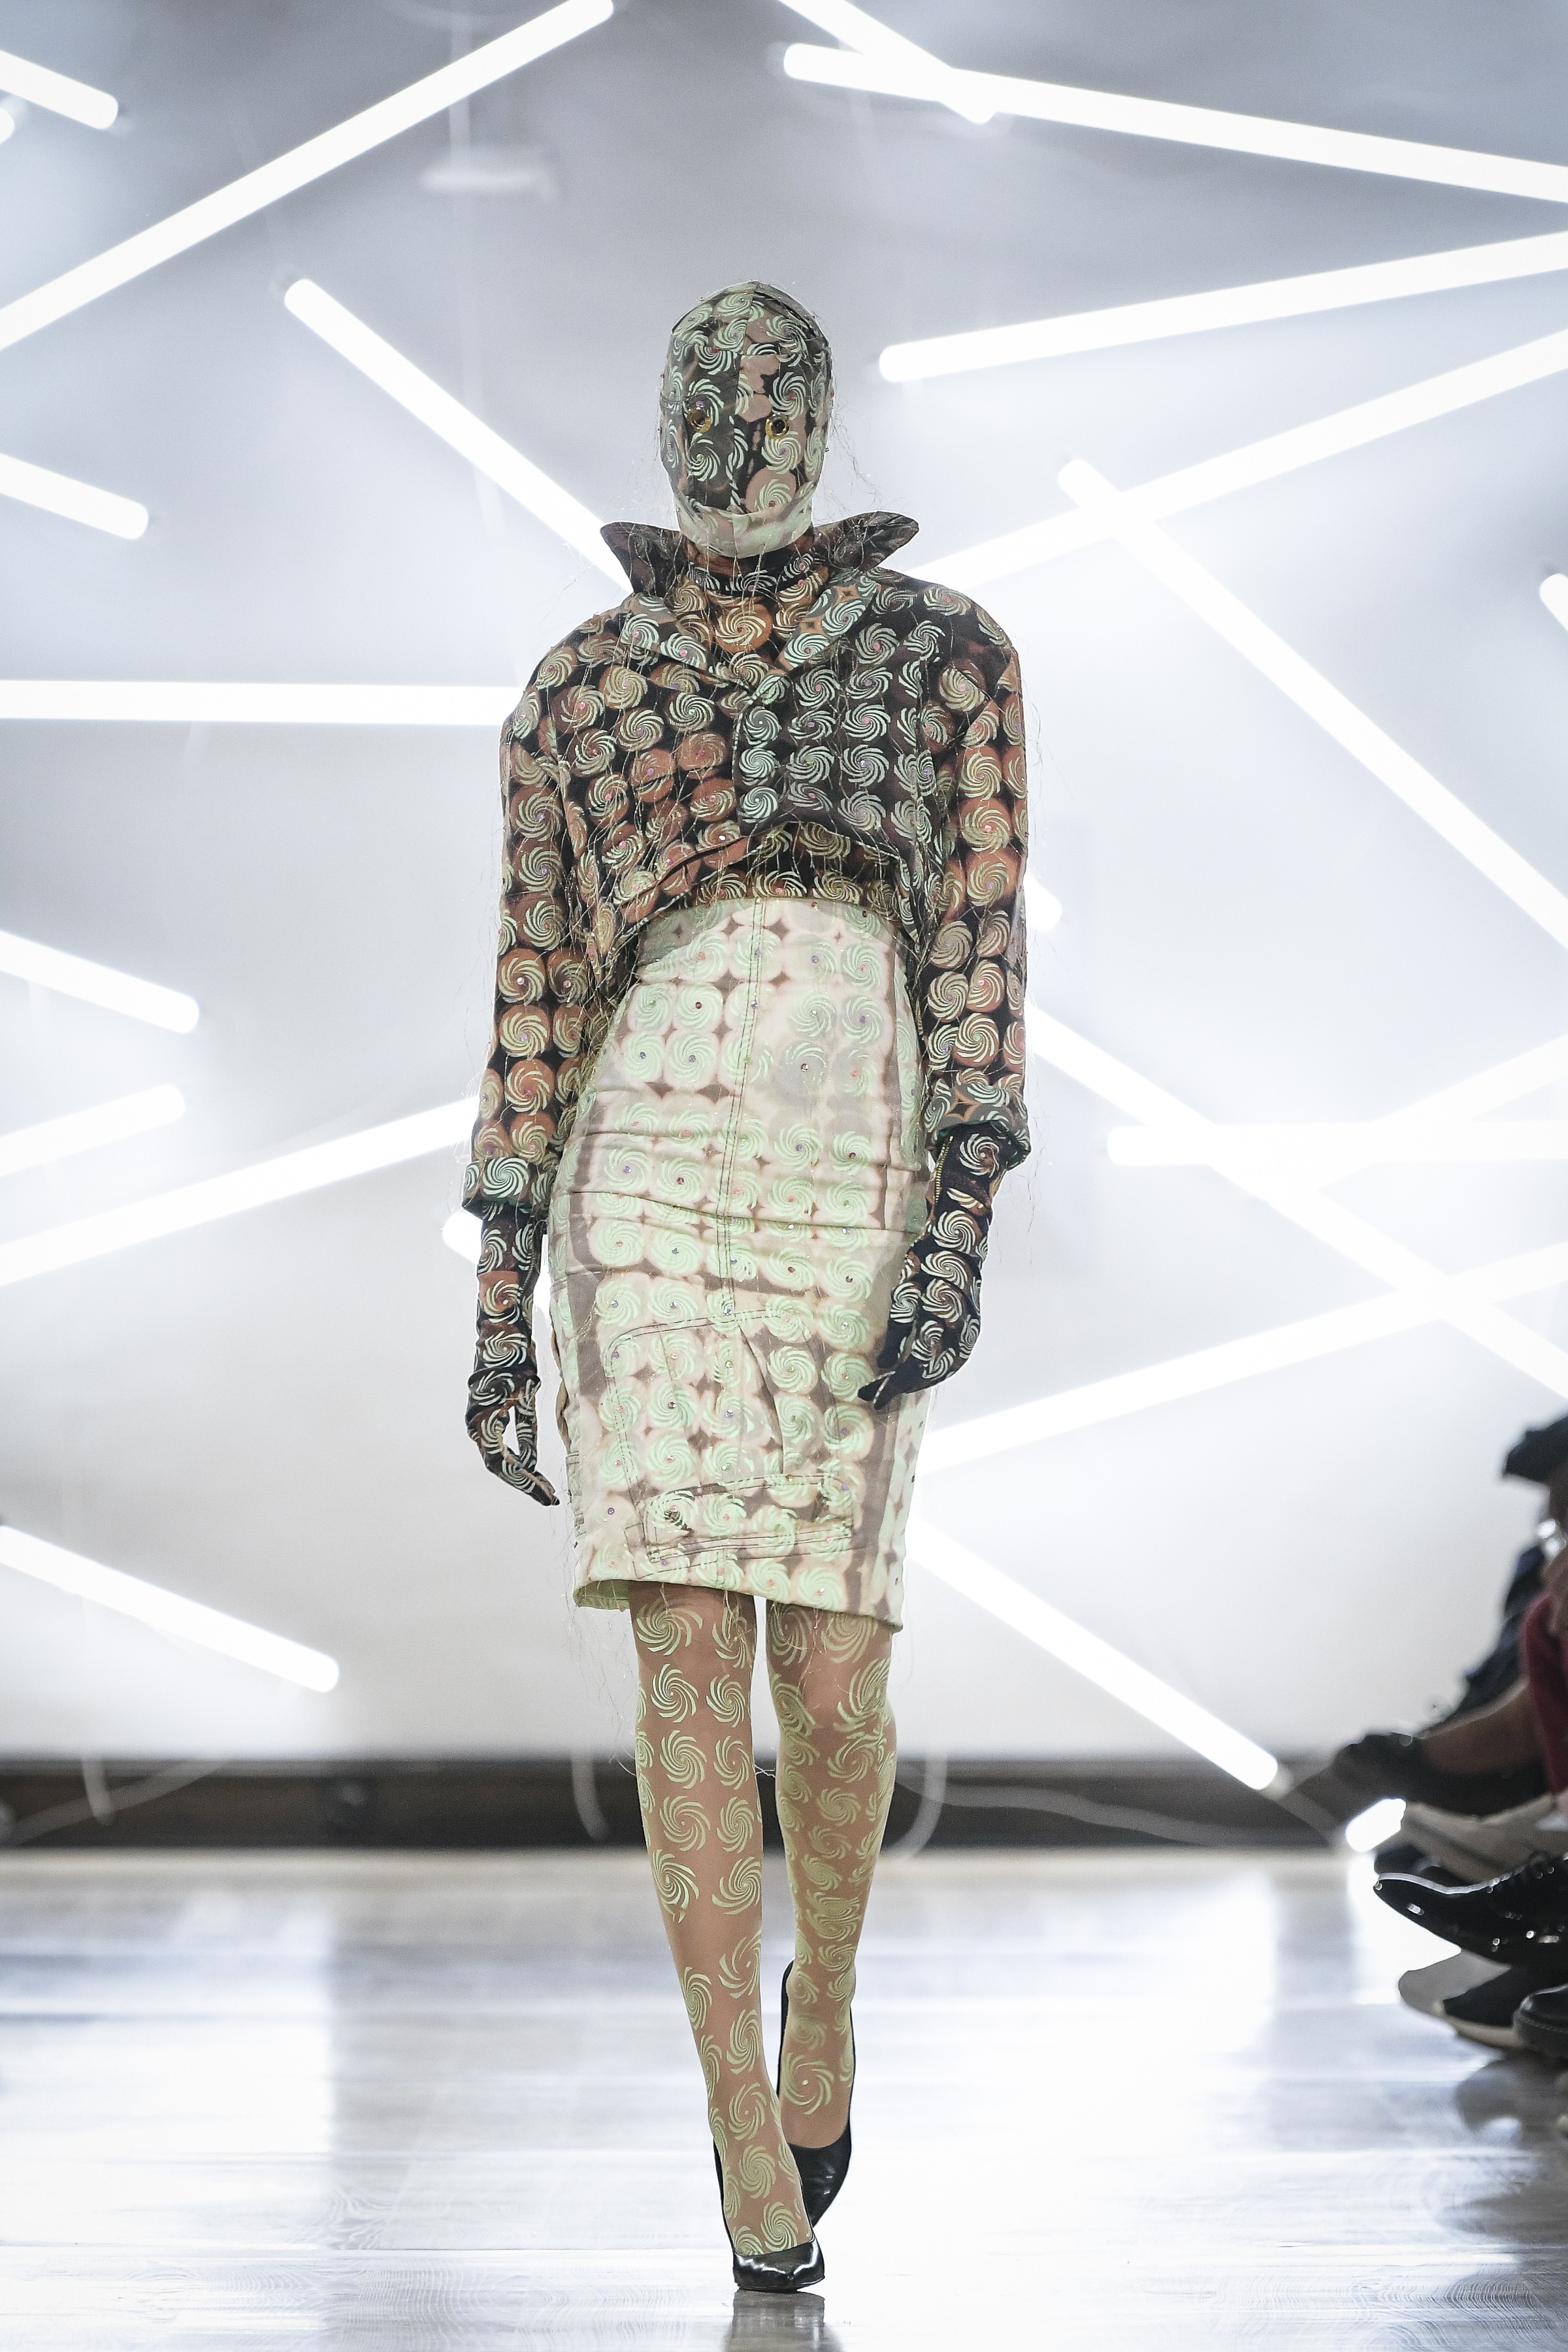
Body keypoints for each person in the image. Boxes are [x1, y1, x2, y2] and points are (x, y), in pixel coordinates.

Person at [461, 284, 1029, 2292]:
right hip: (646, 1170)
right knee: (687, 1648)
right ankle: (734, 2132)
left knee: (841, 1665)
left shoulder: (949, 654)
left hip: (854, 1144)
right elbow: (539, 982)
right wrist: (502, 1283)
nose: (736, 416)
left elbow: (979, 942)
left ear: (823, 411)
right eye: (702, 386)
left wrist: (960, 1216)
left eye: (771, 385)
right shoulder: (578, 688)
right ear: (660, 415)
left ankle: (827, 1996)